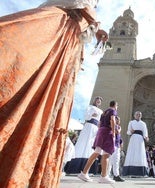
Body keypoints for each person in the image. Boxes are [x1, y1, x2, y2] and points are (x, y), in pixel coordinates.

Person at [0, 0, 108, 187]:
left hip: (67, 40)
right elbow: (80, 5)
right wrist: (95, 25)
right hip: (61, 31)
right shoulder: (82, 9)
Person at [77, 100, 118, 184]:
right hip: (107, 131)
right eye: (117, 106)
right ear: (115, 105)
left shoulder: (104, 112)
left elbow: (99, 123)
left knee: (96, 152)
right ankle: (103, 176)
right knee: (106, 154)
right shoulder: (113, 111)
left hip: (100, 131)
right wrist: (113, 132)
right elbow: (112, 120)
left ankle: (84, 173)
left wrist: (100, 131)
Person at [64, 96, 103, 174]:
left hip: (95, 129)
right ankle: (75, 168)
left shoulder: (101, 111)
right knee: (83, 144)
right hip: (88, 126)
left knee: (91, 146)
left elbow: (100, 121)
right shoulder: (90, 107)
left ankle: (88, 169)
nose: (98, 102)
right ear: (94, 101)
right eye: (97, 100)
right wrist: (92, 115)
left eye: (99, 101)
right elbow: (85, 117)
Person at [122, 111, 149, 177]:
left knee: (140, 153)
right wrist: (131, 131)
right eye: (137, 114)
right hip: (133, 139)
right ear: (134, 115)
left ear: (141, 116)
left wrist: (146, 137)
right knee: (132, 153)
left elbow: (145, 132)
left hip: (140, 140)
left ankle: (141, 173)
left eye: (139, 114)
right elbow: (128, 132)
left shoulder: (143, 123)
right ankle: (129, 172)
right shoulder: (131, 122)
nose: (138, 115)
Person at [108, 116, 125, 182]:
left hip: (117, 146)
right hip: (111, 145)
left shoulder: (118, 127)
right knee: (110, 161)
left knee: (116, 161)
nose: (118, 121)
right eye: (116, 120)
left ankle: (116, 175)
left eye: (119, 120)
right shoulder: (112, 126)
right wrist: (118, 129)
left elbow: (119, 136)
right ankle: (107, 174)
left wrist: (121, 142)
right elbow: (117, 132)